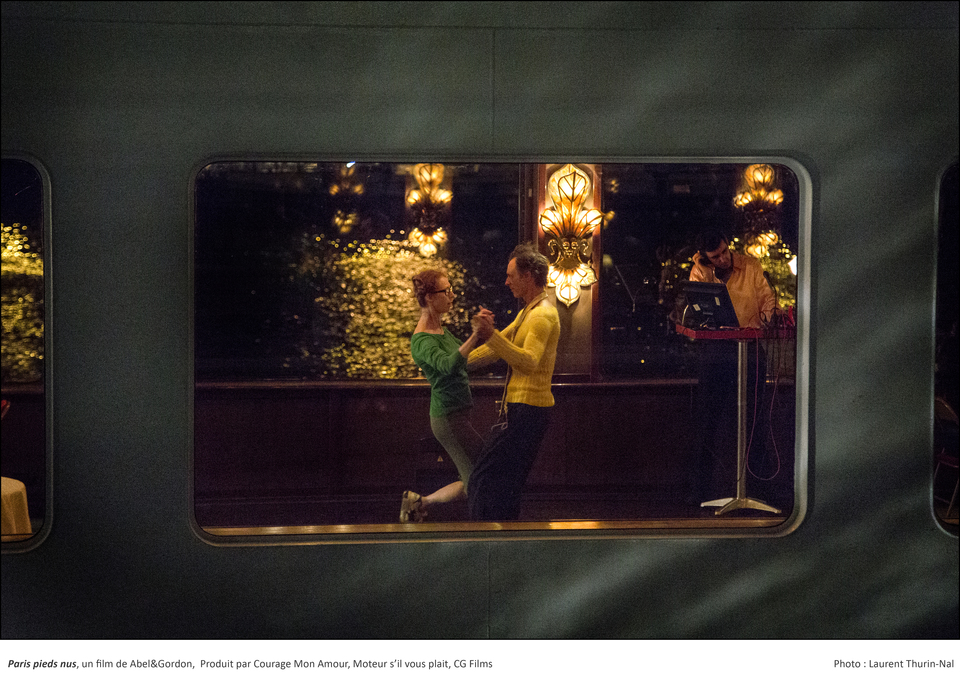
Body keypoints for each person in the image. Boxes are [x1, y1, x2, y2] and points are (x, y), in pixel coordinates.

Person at [466, 243, 561, 520]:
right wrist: (456, 364)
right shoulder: (529, 311)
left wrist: (489, 334)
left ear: (528, 276)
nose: (506, 282)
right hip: (523, 410)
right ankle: (502, 535)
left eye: (511, 276)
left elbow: (528, 362)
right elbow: (495, 349)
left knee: (483, 476)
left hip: (528, 410)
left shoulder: (542, 314)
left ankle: (480, 535)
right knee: (506, 482)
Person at [686, 230, 778, 505]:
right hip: (717, 349)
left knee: (754, 421)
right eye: (716, 257)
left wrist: (765, 320)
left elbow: (768, 298)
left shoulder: (750, 265)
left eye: (725, 252)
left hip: (750, 347)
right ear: (706, 257)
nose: (724, 259)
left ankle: (759, 491)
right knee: (708, 419)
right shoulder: (700, 271)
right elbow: (699, 306)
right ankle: (701, 492)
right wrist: (707, 272)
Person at [400, 268, 491, 523]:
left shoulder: (441, 330)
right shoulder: (422, 341)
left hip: (459, 414)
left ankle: (419, 502)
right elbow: (448, 365)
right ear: (430, 297)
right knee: (479, 475)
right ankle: (482, 528)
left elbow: (464, 359)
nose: (452, 296)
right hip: (448, 418)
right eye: (446, 291)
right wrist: (477, 335)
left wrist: (499, 343)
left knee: (476, 473)